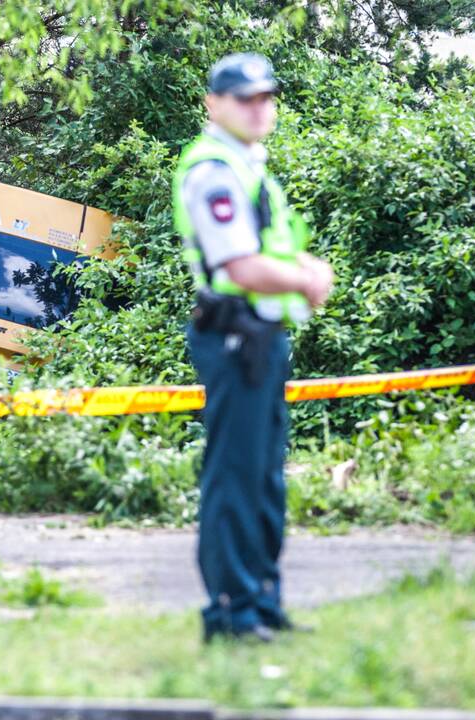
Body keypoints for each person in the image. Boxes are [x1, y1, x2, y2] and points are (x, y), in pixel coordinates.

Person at [171, 53, 334, 643]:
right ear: (213, 104)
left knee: (265, 475)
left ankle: (263, 604)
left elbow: (268, 251)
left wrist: (300, 267)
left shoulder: (247, 167)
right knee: (237, 475)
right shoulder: (215, 170)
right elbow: (240, 266)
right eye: (245, 98)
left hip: (260, 339)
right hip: (234, 335)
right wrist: (305, 278)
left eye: (266, 97)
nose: (258, 107)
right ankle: (230, 613)